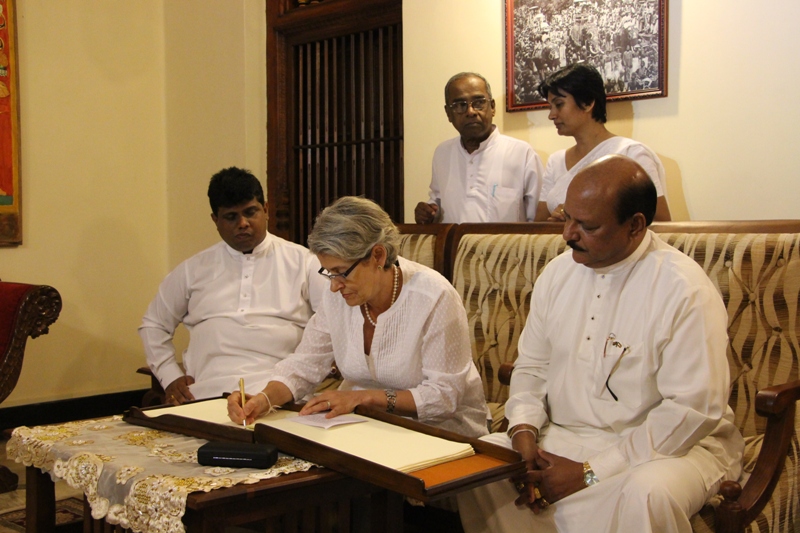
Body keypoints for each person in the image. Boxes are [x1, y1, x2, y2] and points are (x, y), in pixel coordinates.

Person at [457, 155, 744, 532]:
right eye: (567, 218)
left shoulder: (684, 290)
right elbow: (532, 367)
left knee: (648, 494)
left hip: (669, 450)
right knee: (479, 464)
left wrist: (589, 473)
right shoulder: (558, 273)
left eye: (586, 225)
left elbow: (691, 412)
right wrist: (523, 431)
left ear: (635, 226)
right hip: (562, 437)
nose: (568, 235)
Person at [229, 196, 488, 439]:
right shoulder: (340, 295)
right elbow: (304, 365)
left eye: (341, 272)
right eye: (329, 273)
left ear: (378, 255)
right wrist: (263, 399)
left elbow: (444, 397)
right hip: (364, 427)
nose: (334, 286)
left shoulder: (433, 297)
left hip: (440, 433)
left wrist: (363, 398)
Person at [139, 167, 326, 404]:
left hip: (280, 394)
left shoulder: (305, 262)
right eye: (231, 217)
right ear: (215, 220)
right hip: (204, 394)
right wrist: (169, 376)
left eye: (251, 212)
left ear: (266, 210)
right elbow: (153, 324)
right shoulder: (193, 269)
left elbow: (332, 321)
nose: (243, 223)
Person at [533, 63, 672, 222]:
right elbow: (540, 225)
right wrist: (556, 221)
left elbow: (660, 223)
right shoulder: (556, 161)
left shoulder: (630, 154)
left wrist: (582, 217)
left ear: (587, 103)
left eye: (559, 105)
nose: (551, 115)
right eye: (550, 107)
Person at [415, 72, 543, 224]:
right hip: (454, 247)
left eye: (479, 102)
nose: (471, 112)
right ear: (448, 114)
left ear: (493, 107)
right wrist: (428, 212)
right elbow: (437, 202)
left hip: (504, 247)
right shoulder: (442, 153)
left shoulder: (521, 154)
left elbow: (537, 220)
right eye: (460, 105)